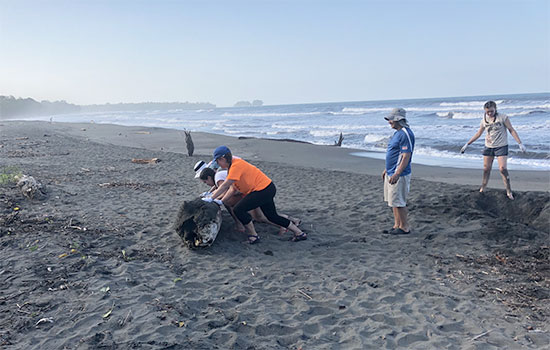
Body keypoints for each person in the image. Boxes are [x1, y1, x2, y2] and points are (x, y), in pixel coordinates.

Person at [209, 146, 306, 244]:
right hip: (267, 188)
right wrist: (221, 201)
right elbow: (233, 189)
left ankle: (253, 236)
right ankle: (299, 233)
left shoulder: (236, 165)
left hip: (263, 190)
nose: (218, 165)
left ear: (222, 159)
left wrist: (211, 198)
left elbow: (225, 185)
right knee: (272, 216)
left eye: (218, 161)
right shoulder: (231, 167)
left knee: (239, 209)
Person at [460, 101, 526, 200]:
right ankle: (483, 188)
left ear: (495, 109)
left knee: (502, 169)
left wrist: (520, 143)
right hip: (489, 146)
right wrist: (467, 144)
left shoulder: (503, 117)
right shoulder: (484, 120)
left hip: (501, 146)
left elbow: (511, 130)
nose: (490, 114)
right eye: (487, 112)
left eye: (491, 111)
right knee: (486, 169)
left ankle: (508, 190)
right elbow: (479, 133)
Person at [382, 108, 415, 235]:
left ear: (398, 119)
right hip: (391, 171)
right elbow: (395, 153)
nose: (389, 122)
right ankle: (397, 225)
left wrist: (397, 173)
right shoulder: (397, 133)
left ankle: (404, 227)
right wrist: (387, 169)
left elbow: (406, 156)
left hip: (399, 173)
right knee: (393, 201)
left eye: (391, 119)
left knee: (399, 201)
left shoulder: (406, 133)